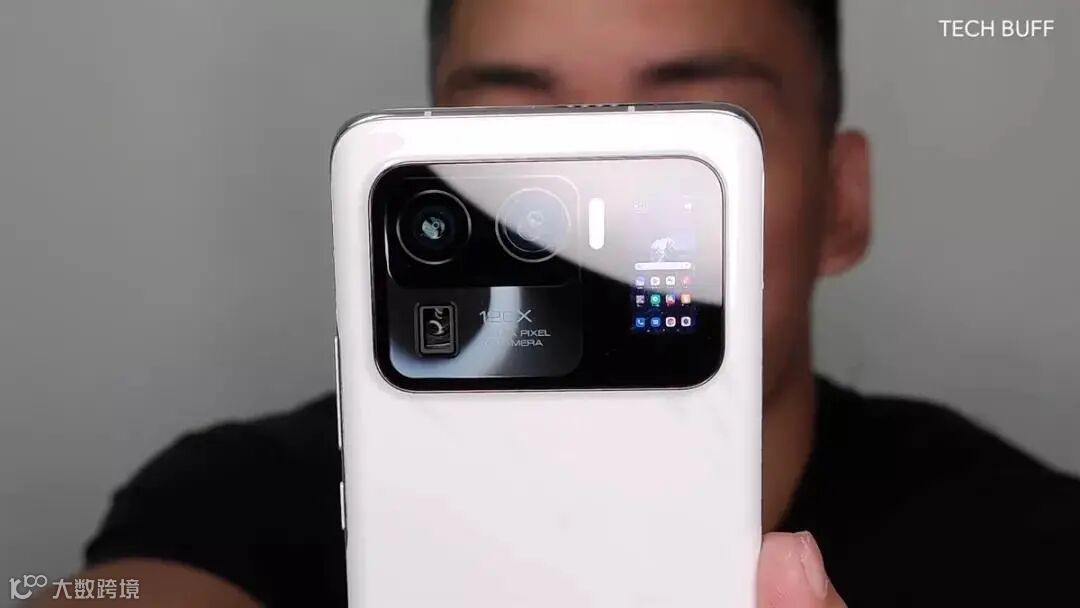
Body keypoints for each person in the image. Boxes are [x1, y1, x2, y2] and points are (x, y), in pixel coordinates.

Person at [37, 0, 1080, 606]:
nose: (594, 199)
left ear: (842, 204)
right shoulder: (236, 496)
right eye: (510, 124)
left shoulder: (1030, 543)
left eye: (691, 125)